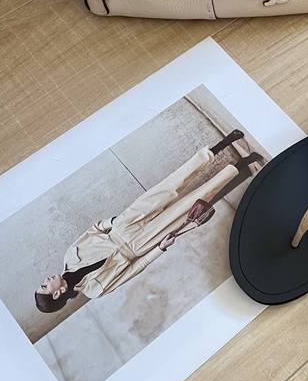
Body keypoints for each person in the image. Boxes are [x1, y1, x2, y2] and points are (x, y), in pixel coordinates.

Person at [35, 131, 258, 312]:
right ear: (56, 295)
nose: (46, 279)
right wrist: (160, 248)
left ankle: (224, 143)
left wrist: (115, 221)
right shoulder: (95, 291)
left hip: (126, 223)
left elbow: (95, 229)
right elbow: (135, 268)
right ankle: (241, 164)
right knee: (191, 202)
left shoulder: (69, 256)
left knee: (172, 184)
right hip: (141, 244)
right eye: (45, 286)